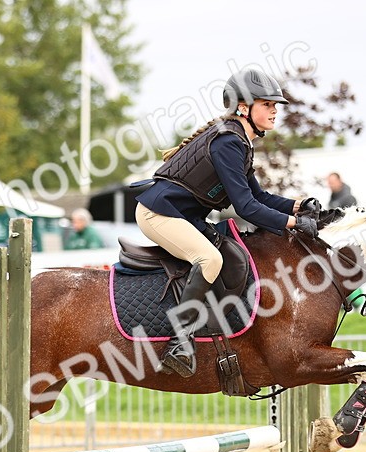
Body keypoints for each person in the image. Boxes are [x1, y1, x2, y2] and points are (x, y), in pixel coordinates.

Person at [135, 68, 320, 378]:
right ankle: (178, 344)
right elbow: (246, 208)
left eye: (275, 106)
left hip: (183, 215)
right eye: (267, 105)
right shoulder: (228, 142)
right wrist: (292, 223)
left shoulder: (239, 141)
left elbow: (257, 196)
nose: (275, 112)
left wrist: (299, 206)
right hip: (159, 213)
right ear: (244, 107)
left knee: (231, 254)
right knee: (209, 259)